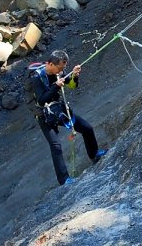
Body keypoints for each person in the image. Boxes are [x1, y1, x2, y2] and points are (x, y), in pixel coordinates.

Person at [30, 50, 107, 185]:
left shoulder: (58, 72)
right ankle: (64, 179)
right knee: (56, 146)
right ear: (50, 64)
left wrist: (75, 75)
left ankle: (94, 155)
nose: (62, 70)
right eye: (60, 68)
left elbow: (72, 85)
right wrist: (56, 86)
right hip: (44, 116)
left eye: (64, 68)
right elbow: (42, 100)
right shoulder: (36, 78)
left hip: (58, 110)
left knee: (87, 128)